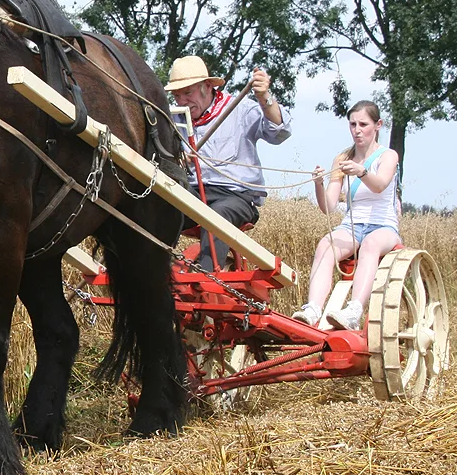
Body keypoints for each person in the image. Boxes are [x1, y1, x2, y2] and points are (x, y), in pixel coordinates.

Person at [166, 55, 292, 271]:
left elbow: (279, 132)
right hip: (191, 193)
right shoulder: (170, 118)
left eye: (188, 93)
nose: (182, 101)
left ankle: (207, 279)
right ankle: (154, 274)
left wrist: (264, 98)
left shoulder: (239, 109)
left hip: (235, 196)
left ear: (207, 87)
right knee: (155, 207)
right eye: (177, 95)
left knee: (217, 216)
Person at [292, 100, 401, 330]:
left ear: (378, 125)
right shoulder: (342, 159)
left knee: (371, 245)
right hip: (352, 225)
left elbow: (380, 185)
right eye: (353, 124)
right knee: (326, 244)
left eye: (363, 124)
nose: (357, 130)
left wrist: (361, 171)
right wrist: (319, 184)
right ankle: (313, 309)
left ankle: (354, 311)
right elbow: (329, 207)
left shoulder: (388, 156)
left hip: (383, 226)